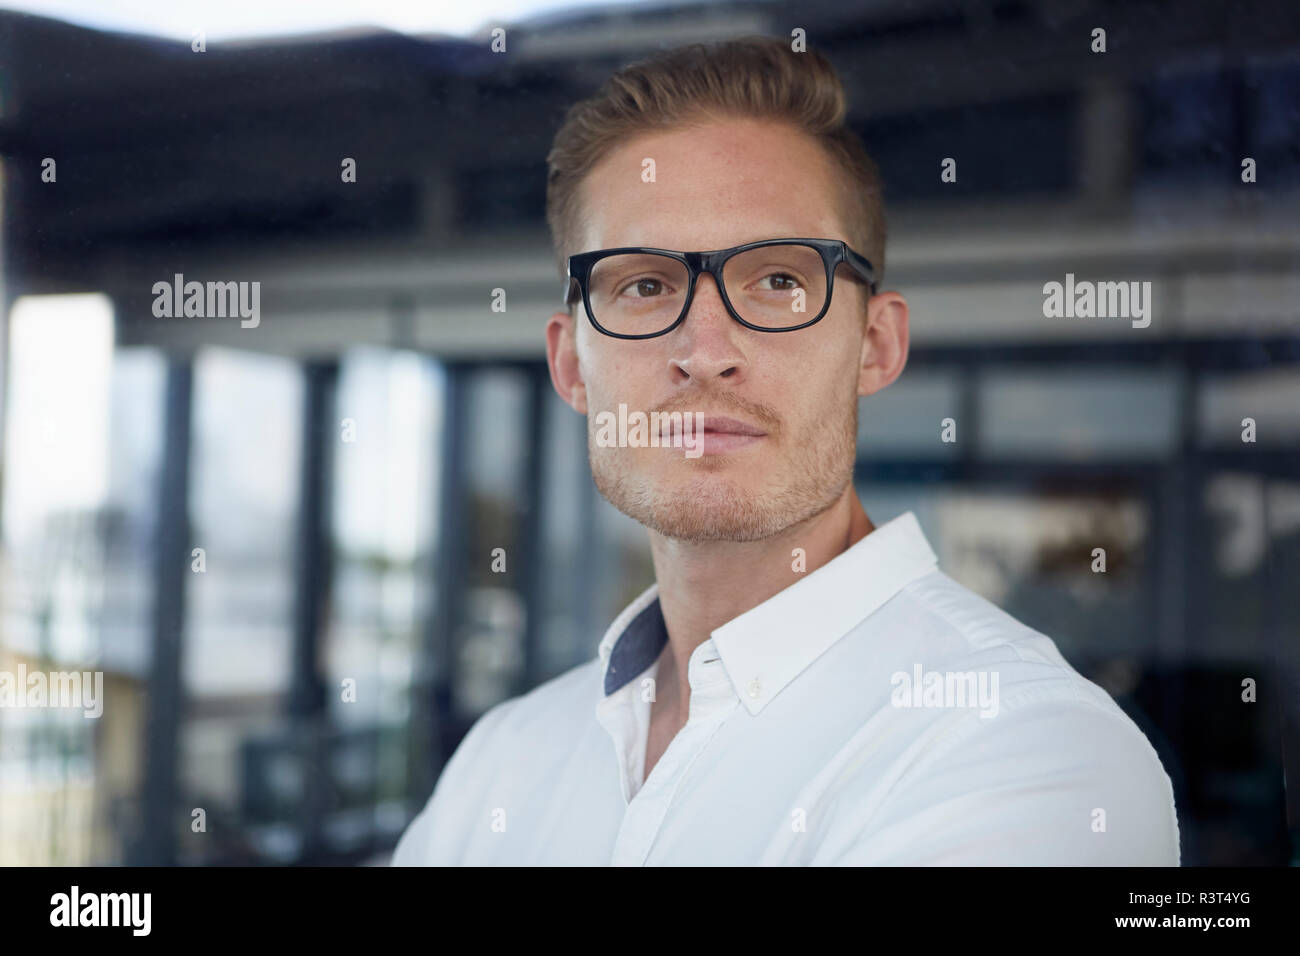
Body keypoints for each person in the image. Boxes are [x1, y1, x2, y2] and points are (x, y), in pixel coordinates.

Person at [393, 35, 1179, 866]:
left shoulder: (1025, 748)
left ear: (876, 345)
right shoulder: (505, 760)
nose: (705, 349)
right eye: (644, 284)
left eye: (777, 281)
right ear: (568, 363)